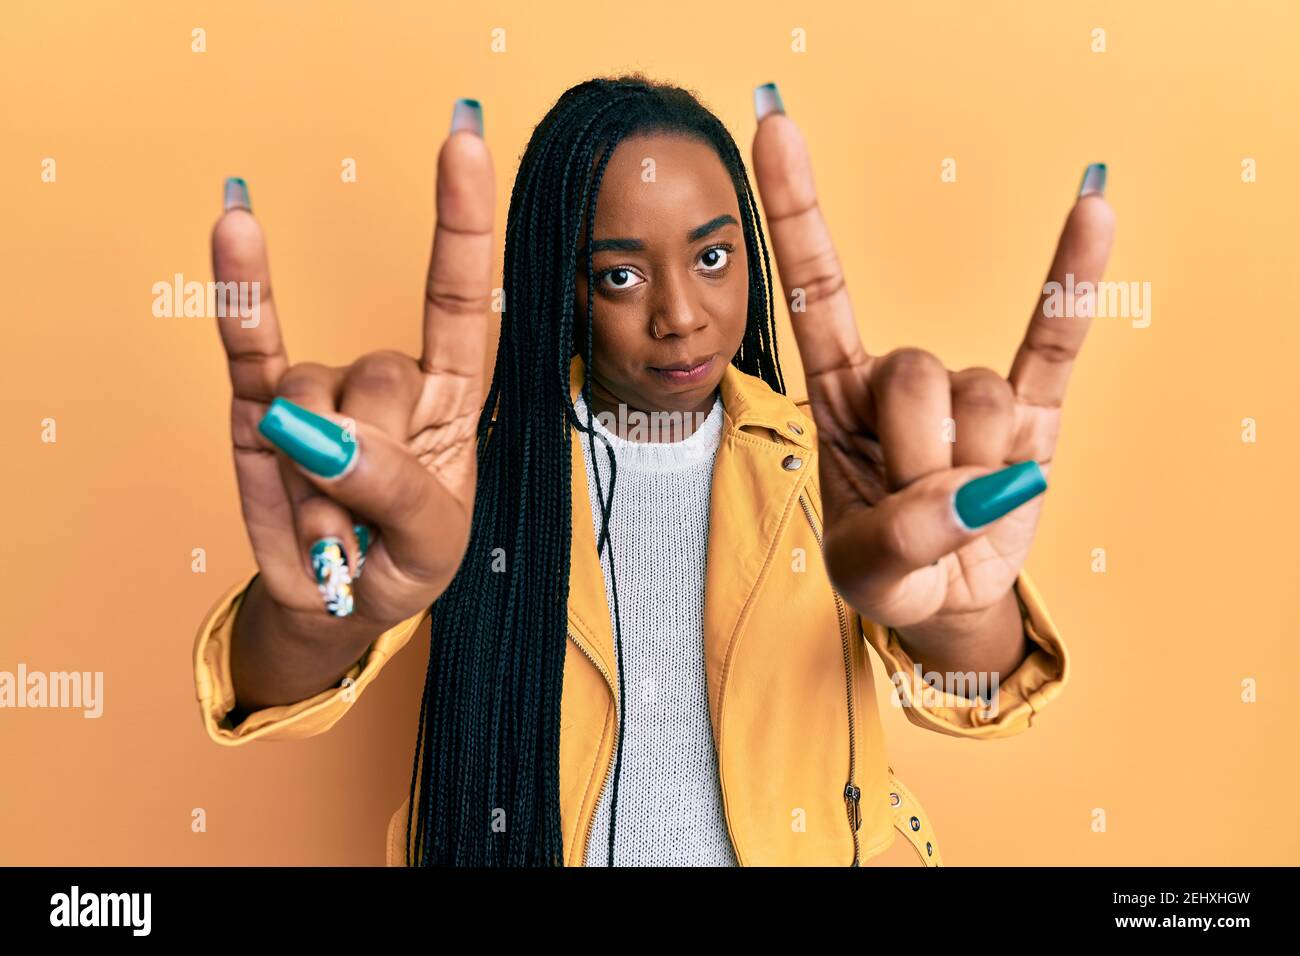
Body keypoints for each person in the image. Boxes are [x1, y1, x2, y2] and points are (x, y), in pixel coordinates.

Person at [193, 74, 1114, 866]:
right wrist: (317, 620)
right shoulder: (464, 469)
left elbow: (980, 692)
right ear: (563, 284)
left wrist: (966, 617)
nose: (681, 314)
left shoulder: (837, 464)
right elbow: (277, 689)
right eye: (622, 276)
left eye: (713, 258)